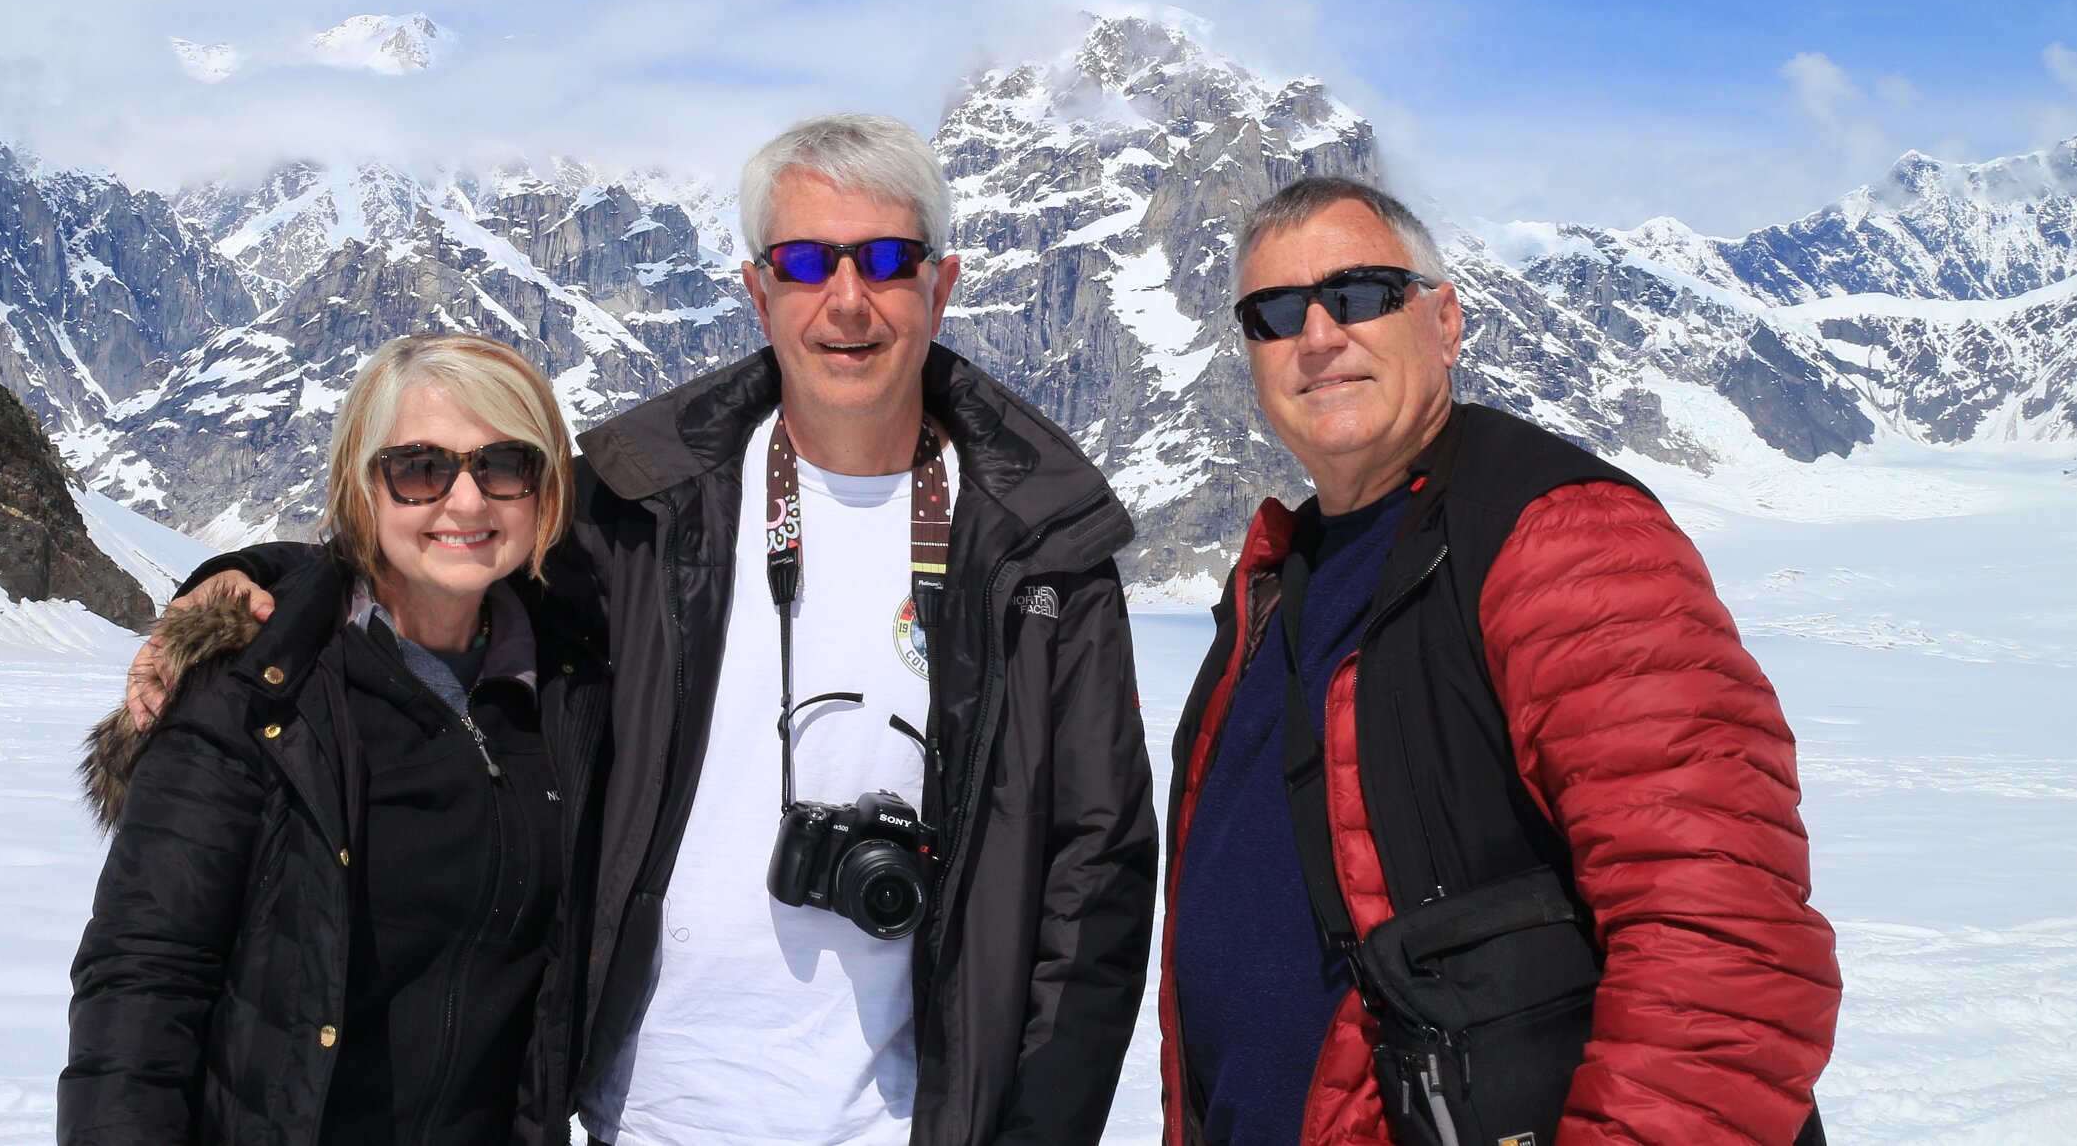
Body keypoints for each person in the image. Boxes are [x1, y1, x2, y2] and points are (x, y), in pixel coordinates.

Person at [137, 112, 1159, 1146]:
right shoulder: (640, 512)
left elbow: (1097, 879)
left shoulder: (1044, 553)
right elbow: (448, 550)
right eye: (806, 263)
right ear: (758, 291)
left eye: (888, 260)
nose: (847, 299)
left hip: (912, 1124)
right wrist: (252, 578)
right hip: (651, 1117)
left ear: (940, 287)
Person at [1159, 175, 1840, 1146]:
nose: (1316, 335)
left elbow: (1725, 948)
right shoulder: (1276, 584)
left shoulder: (1563, 541)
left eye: (1359, 293)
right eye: (1273, 312)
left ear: (1444, 322)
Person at [60, 333, 608, 1146]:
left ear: (545, 490)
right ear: (362, 485)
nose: (466, 502)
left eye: (504, 465)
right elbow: (144, 978)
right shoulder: (256, 690)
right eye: (420, 468)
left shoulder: (574, 692)